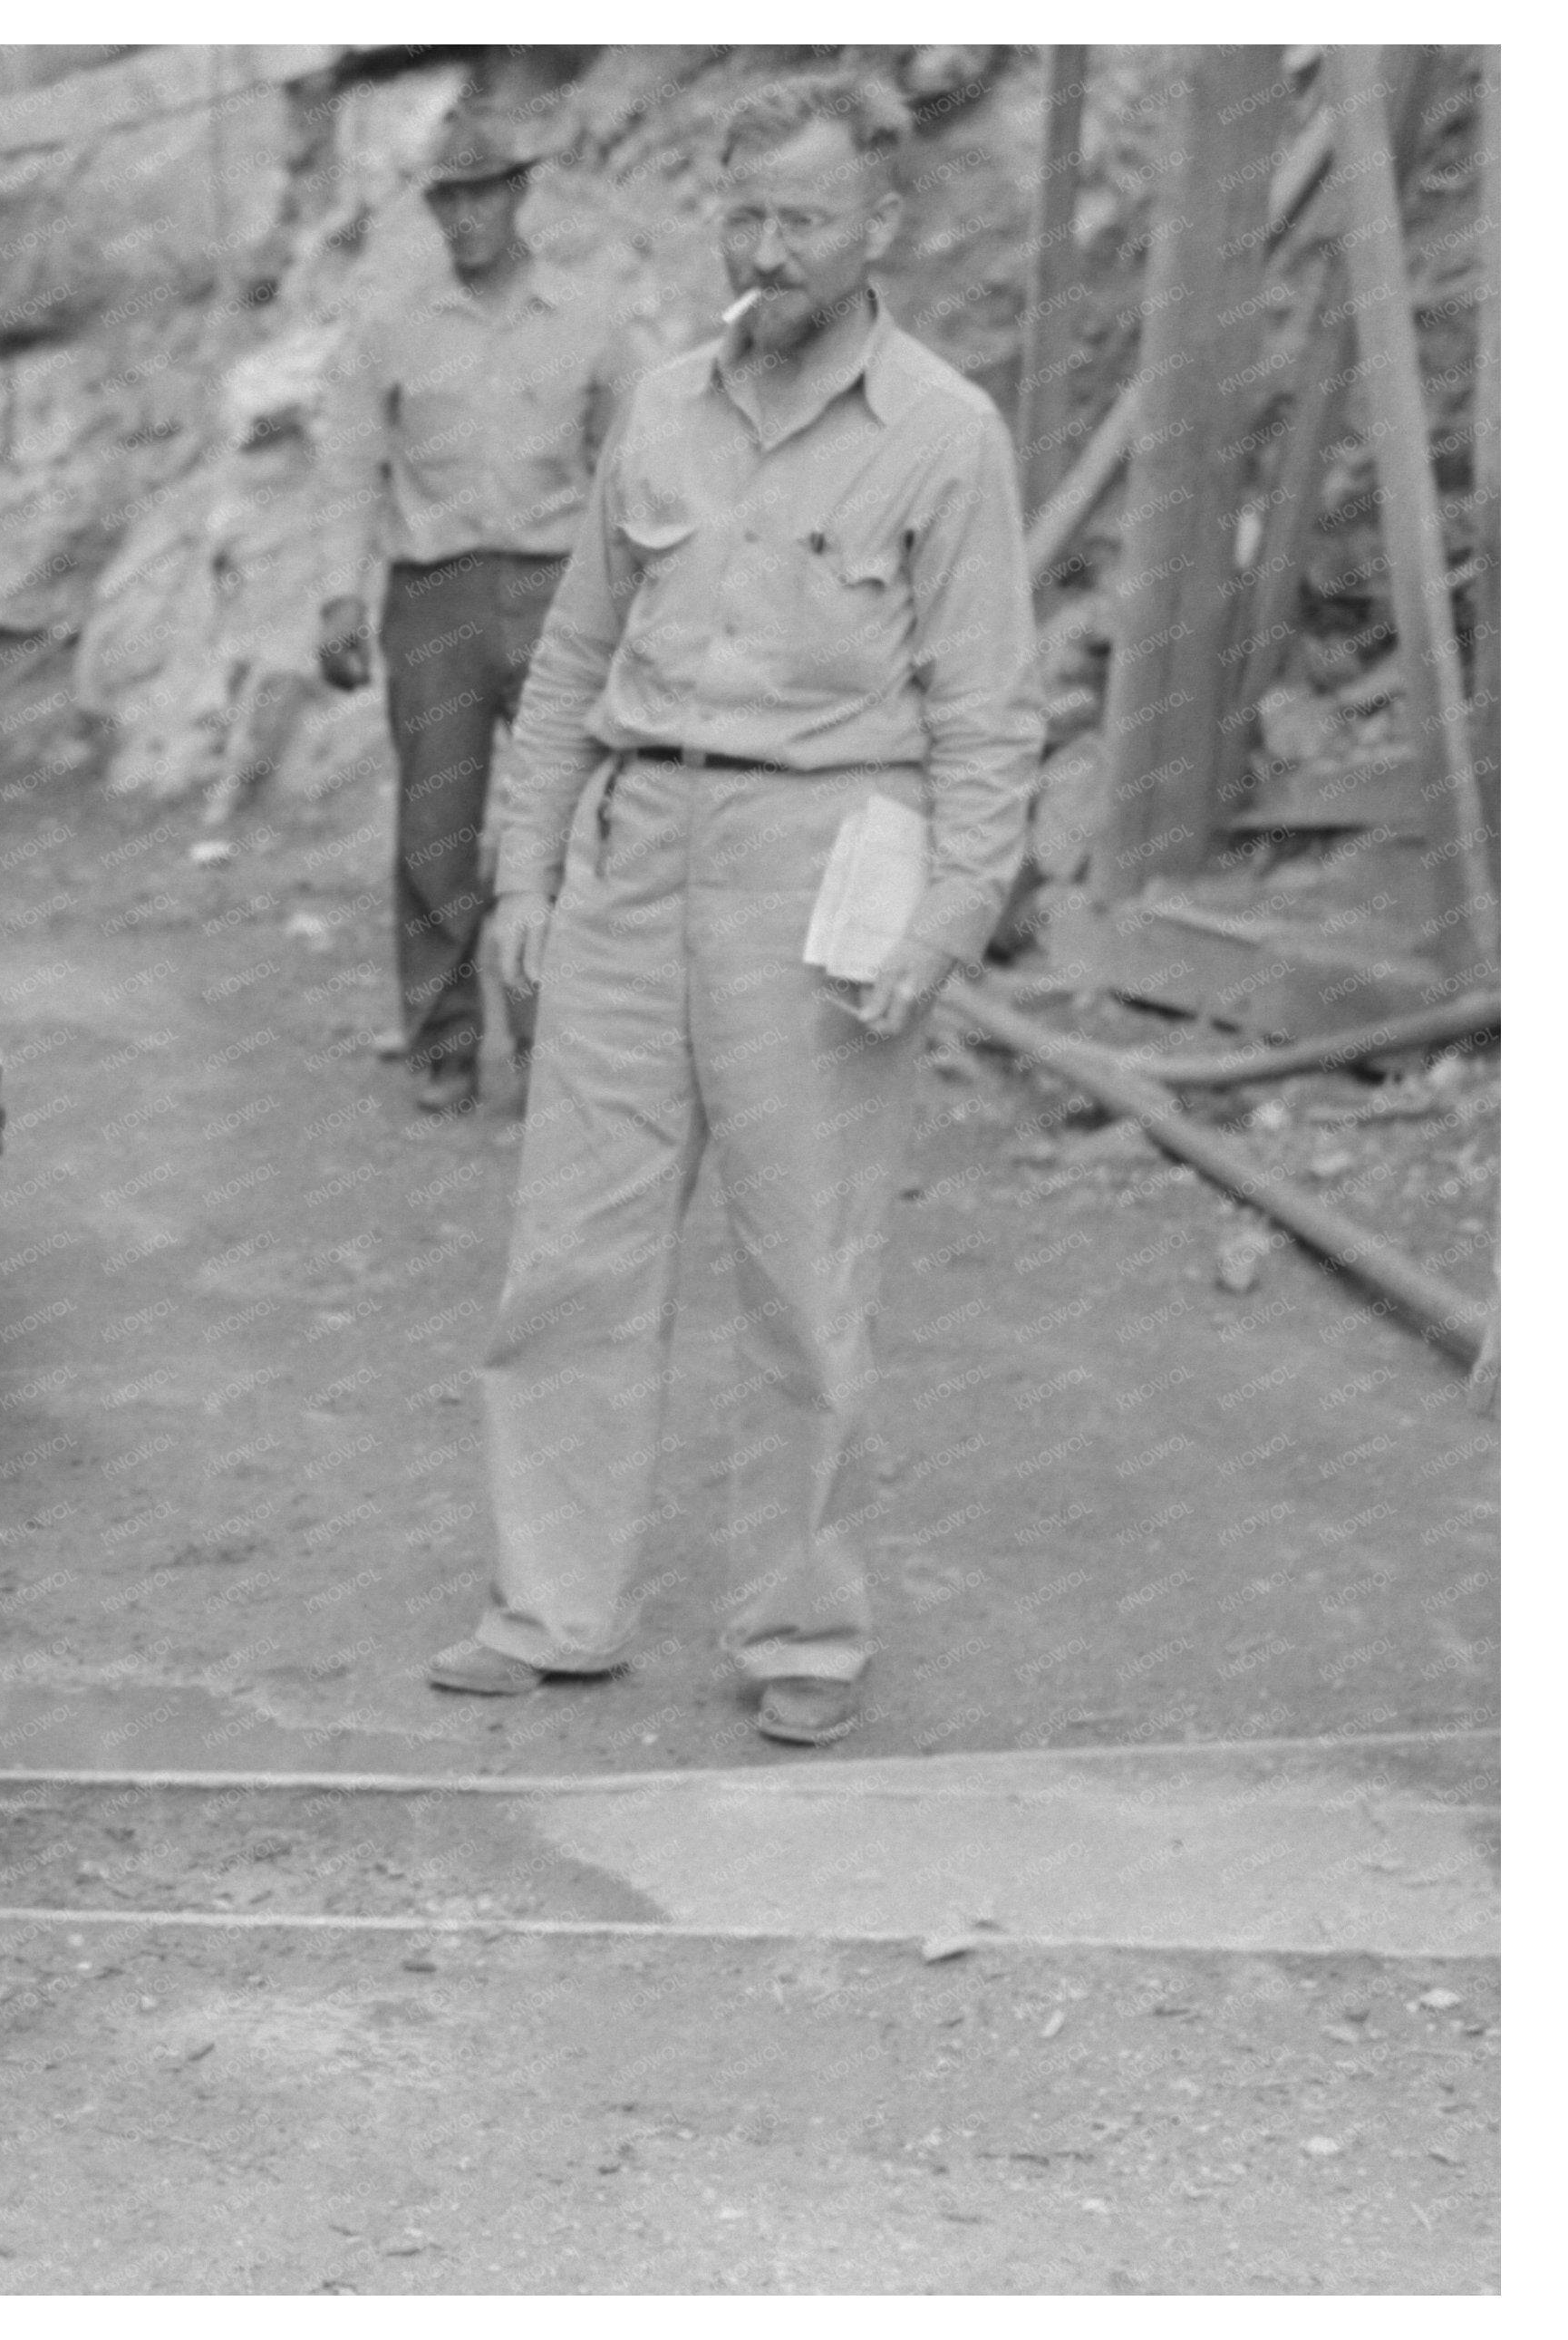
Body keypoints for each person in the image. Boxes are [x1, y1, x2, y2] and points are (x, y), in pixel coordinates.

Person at [423, 72, 1041, 1746]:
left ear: (880, 229)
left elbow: (988, 712)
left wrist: (944, 921)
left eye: (802, 221)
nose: (764, 252)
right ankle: (552, 1607)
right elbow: (564, 664)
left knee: (799, 1274)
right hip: (633, 853)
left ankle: (801, 1636)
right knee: (568, 1258)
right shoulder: (661, 409)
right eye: (744, 214)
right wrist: (522, 872)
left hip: (819, 877)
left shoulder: (943, 433)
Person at [316, 106, 644, 1116]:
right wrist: (339, 593)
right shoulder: (393, 327)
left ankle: (557, 1044)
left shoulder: (590, 318)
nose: (466, 218)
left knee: (565, 825)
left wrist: (638, 605)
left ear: (518, 195)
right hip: (436, 599)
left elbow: (631, 468)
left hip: (557, 593)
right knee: (437, 831)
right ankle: (444, 1041)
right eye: (447, 200)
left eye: (483, 194)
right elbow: (350, 466)